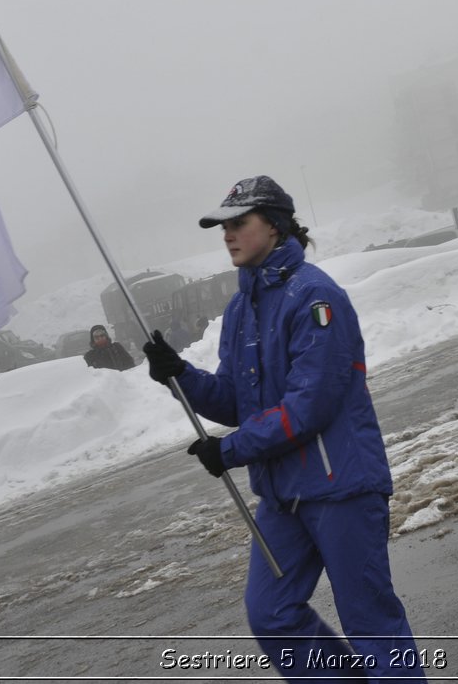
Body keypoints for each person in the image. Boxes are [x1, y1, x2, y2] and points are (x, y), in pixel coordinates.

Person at [141, 175, 424, 680]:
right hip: (283, 495)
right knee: (271, 615)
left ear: (272, 226)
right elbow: (235, 400)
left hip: (341, 486)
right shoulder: (239, 308)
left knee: (370, 622)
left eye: (237, 222)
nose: (227, 233)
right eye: (221, 225)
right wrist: (180, 376)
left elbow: (308, 406)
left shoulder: (315, 297)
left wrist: (230, 452)